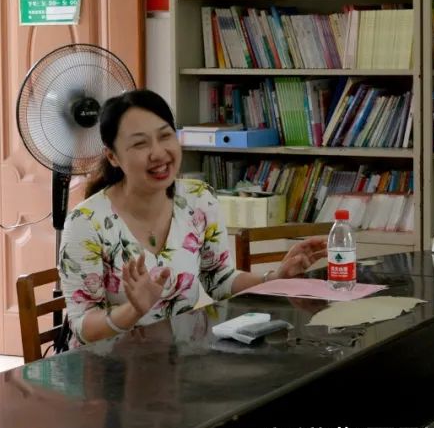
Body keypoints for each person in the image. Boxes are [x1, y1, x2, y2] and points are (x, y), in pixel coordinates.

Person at [58, 89, 327, 347]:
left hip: (177, 357)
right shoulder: (86, 223)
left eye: (165, 136)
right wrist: (133, 310)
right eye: (140, 143)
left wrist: (274, 278)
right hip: (108, 366)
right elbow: (83, 326)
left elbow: (219, 278)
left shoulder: (198, 199)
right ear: (112, 156)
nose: (158, 153)